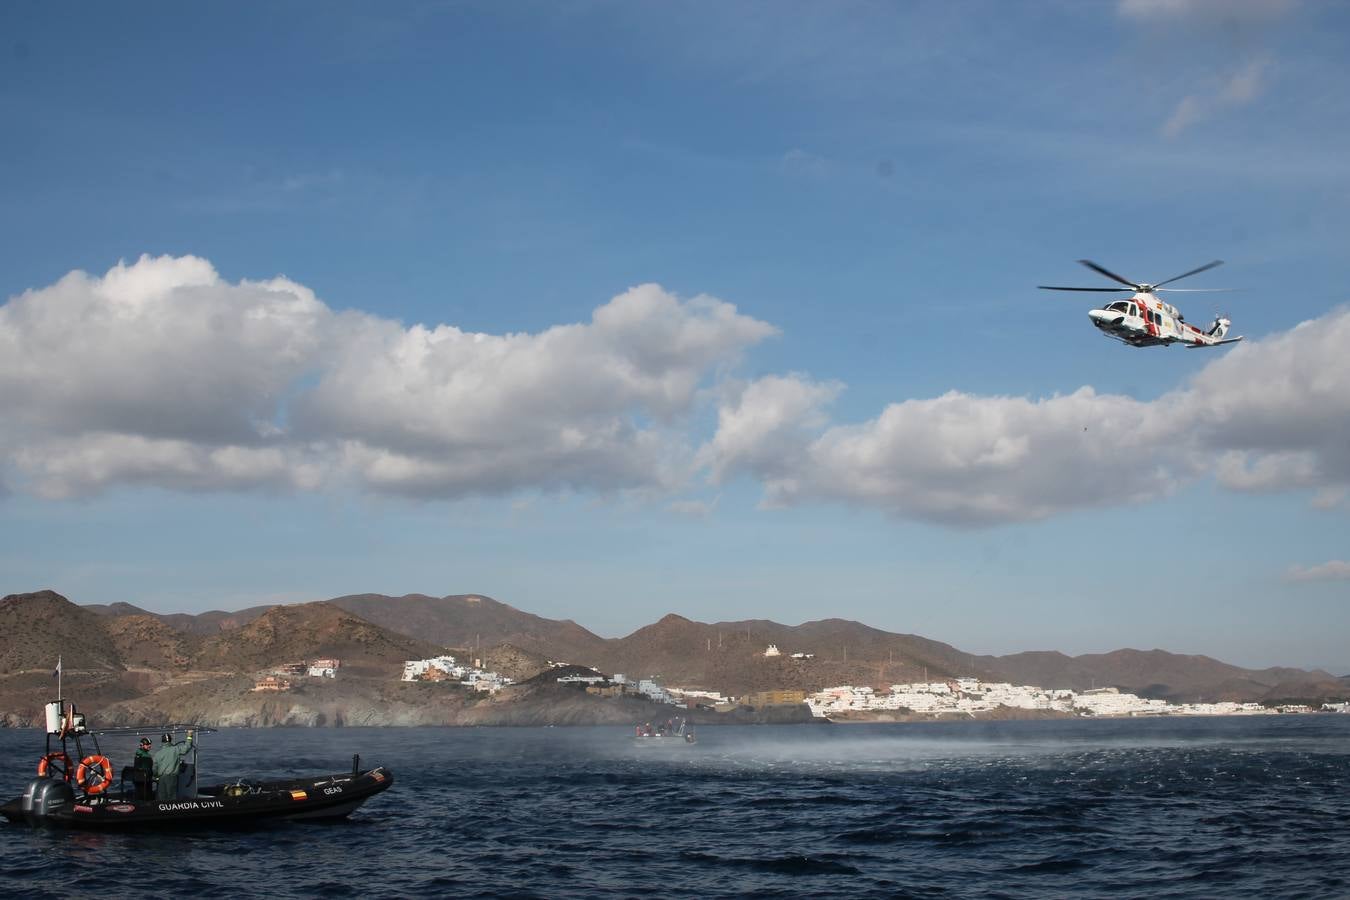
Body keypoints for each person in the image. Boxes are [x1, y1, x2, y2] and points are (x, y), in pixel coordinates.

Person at [152, 730, 193, 801]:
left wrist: (156, 776)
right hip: (171, 778)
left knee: (162, 797)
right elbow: (186, 748)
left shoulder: (157, 754)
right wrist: (189, 736)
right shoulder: (175, 749)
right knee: (171, 797)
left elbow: (154, 769)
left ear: (162, 741)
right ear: (170, 740)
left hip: (161, 778)